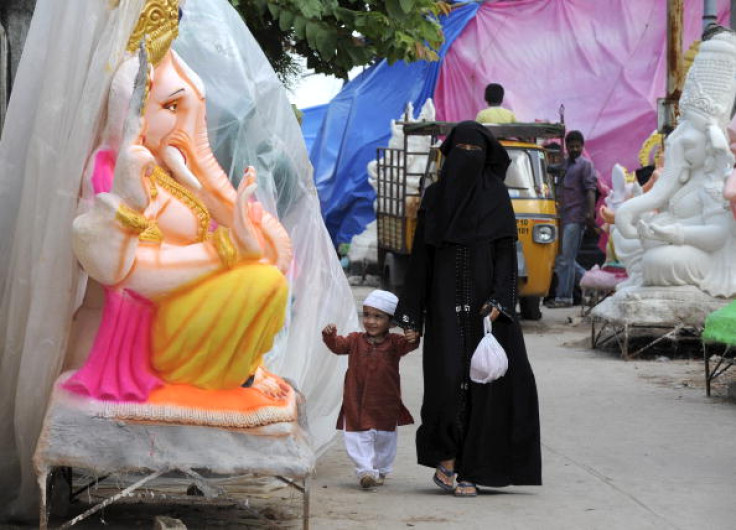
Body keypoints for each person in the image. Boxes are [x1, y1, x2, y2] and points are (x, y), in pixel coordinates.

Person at [394, 121, 541, 497]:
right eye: (461, 152)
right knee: (444, 384)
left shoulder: (496, 198)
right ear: (449, 155)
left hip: (485, 312)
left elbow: (506, 253)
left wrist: (500, 299)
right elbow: (420, 261)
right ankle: (446, 459)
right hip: (444, 308)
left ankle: (472, 468)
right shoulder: (435, 198)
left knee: (485, 388)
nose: (467, 160)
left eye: (475, 153)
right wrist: (412, 315)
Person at [322, 290, 420, 489]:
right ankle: (365, 470)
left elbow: (410, 345)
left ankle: (381, 469)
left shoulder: (395, 343)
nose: (371, 321)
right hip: (356, 398)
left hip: (386, 400)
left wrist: (413, 337)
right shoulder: (355, 339)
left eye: (378, 317)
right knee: (357, 435)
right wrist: (330, 336)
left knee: (385, 438)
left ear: (391, 322)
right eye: (367, 315)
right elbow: (338, 346)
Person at [545, 130, 598, 308]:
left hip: (576, 218)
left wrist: (589, 215)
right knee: (563, 260)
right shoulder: (564, 164)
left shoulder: (585, 165)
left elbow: (591, 190)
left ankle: (564, 298)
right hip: (563, 217)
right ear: (566, 147)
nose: (574, 148)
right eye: (571, 146)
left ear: (582, 146)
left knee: (565, 260)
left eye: (577, 146)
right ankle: (595, 284)